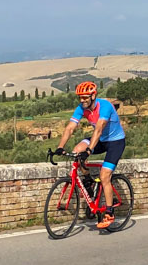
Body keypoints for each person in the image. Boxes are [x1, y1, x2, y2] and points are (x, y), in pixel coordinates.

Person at [54, 81, 126, 229]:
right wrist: (60, 147)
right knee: (76, 152)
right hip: (100, 140)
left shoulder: (105, 106)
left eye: (85, 97)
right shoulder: (82, 108)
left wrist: (89, 151)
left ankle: (110, 212)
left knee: (105, 175)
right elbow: (70, 128)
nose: (82, 100)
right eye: (80, 98)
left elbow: (98, 129)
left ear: (93, 96)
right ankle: (88, 181)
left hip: (115, 142)